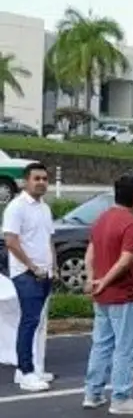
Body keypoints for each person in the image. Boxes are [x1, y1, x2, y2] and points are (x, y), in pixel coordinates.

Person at [82, 175, 133, 415]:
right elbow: (126, 260)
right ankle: (121, 397)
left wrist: (93, 280)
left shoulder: (101, 219)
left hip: (102, 295)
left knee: (101, 344)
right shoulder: (131, 225)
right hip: (125, 294)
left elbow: (90, 253)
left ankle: (93, 392)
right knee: (127, 346)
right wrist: (106, 281)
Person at [2, 162, 55, 392]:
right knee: (29, 321)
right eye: (37, 178)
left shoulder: (44, 207)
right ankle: (25, 371)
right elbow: (11, 241)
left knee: (39, 322)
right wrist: (32, 267)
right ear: (26, 181)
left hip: (46, 273)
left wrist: (53, 267)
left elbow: (48, 239)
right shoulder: (16, 207)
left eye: (44, 178)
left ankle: (32, 366)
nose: (41, 182)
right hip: (26, 274)